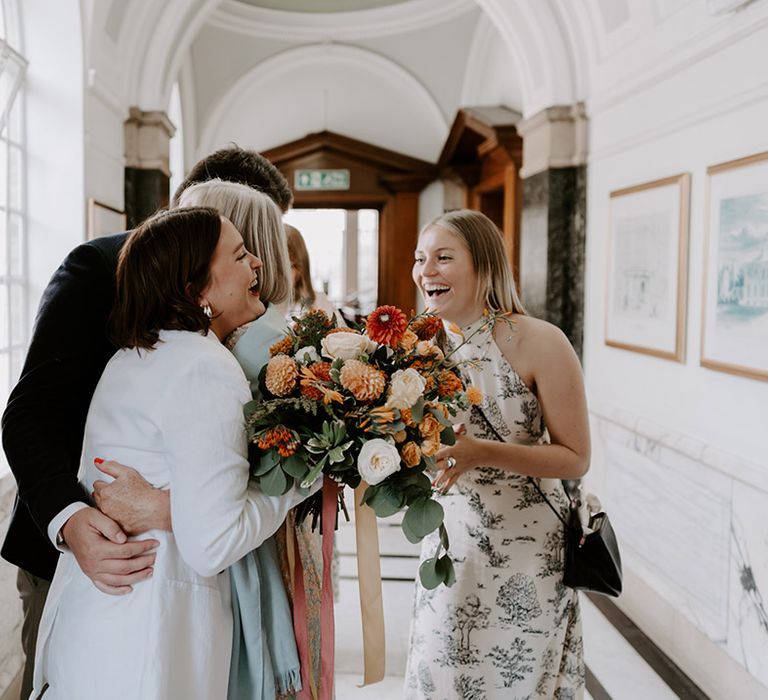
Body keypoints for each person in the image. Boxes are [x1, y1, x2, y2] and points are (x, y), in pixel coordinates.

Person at [0, 145, 293, 700]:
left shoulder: (209, 329)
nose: (258, 261)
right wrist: (71, 518)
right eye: (241, 245)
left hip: (175, 567)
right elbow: (28, 411)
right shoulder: (99, 270)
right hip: (95, 544)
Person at [404, 210, 589, 698]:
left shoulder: (541, 341)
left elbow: (575, 458)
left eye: (444, 258)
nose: (427, 271)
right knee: (441, 674)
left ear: (484, 264)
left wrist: (479, 452)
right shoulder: (420, 346)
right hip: (451, 544)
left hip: (529, 552)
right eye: (421, 259)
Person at [283, 224, 343, 325]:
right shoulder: (257, 308)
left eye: (292, 266)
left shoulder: (319, 301)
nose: (284, 275)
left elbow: (343, 336)